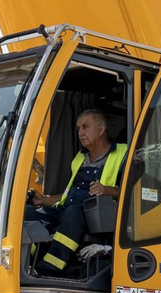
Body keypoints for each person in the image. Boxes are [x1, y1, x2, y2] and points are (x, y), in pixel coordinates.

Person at [25, 109, 127, 274]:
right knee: (27, 214)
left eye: (85, 127)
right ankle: (23, 264)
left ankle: (48, 270)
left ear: (101, 130)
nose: (80, 132)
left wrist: (107, 190)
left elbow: (135, 193)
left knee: (73, 212)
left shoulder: (124, 153)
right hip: (66, 210)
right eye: (78, 128)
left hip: (95, 216)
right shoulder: (79, 158)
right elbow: (67, 196)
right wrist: (42, 200)